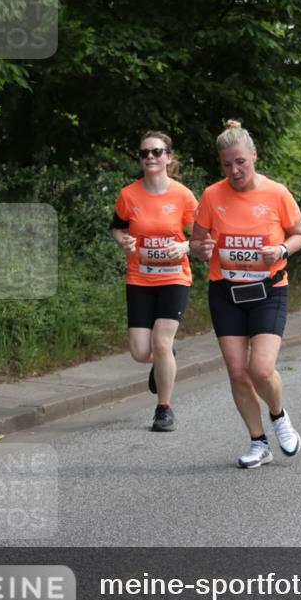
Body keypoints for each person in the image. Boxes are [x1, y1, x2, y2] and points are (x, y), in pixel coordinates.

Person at [190, 120, 301, 469]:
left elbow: (300, 233)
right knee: (237, 372)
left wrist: (282, 250)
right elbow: (197, 243)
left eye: (240, 161)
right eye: (226, 164)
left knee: (261, 368)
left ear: (254, 155)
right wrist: (202, 247)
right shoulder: (212, 195)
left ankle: (279, 415)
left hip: (269, 291)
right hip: (226, 292)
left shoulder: (277, 193)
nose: (234, 170)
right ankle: (258, 443)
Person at [111, 132, 197, 431]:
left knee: (160, 342)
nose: (150, 157)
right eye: (144, 153)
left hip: (174, 277)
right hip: (139, 278)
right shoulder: (128, 195)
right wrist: (124, 242)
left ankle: (164, 409)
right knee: (140, 352)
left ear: (168, 158)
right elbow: (118, 228)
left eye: (157, 152)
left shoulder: (183, 196)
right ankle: (164, 358)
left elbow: (202, 236)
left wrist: (185, 246)